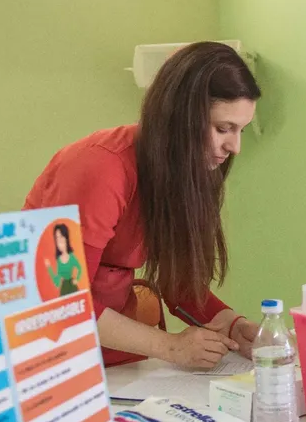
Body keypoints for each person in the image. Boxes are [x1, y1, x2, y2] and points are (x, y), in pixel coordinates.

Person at [25, 42, 262, 369]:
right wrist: (171, 346)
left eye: (241, 130)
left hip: (111, 357)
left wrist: (232, 324)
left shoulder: (186, 172)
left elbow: (177, 281)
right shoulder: (100, 169)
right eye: (223, 128)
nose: (234, 146)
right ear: (180, 119)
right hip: (49, 353)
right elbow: (59, 300)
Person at [45, 223, 83, 297]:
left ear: (66, 238)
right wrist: (49, 268)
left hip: (72, 287)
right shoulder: (59, 260)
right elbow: (56, 280)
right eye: (57, 238)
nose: (59, 241)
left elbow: (79, 268)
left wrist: (77, 279)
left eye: (61, 236)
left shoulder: (71, 256)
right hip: (63, 289)